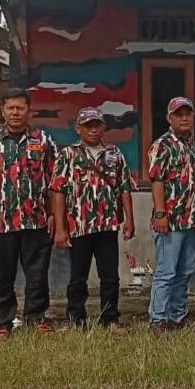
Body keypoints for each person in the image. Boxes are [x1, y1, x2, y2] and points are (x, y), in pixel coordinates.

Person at [0, 87, 57, 339]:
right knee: (2, 275)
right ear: (3, 111)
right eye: (11, 108)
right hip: (1, 222)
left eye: (20, 108)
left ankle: (37, 317)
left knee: (37, 274)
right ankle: (1, 323)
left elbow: (54, 182)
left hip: (37, 221)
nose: (15, 112)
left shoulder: (43, 140)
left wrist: (53, 215)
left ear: (29, 111)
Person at [51, 107, 136, 331]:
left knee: (110, 276)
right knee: (78, 277)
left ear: (104, 127)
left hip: (107, 224)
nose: (93, 129)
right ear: (78, 128)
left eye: (97, 125)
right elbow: (58, 192)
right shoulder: (68, 155)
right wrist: (60, 228)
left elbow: (124, 187)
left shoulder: (114, 153)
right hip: (79, 225)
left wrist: (129, 219)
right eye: (88, 126)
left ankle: (110, 319)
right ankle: (76, 320)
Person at [147, 97, 195, 335]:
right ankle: (158, 319)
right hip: (170, 220)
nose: (184, 118)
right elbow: (157, 181)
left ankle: (177, 316)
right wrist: (160, 213)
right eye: (179, 114)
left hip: (193, 219)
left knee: (185, 271)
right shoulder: (162, 145)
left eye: (188, 114)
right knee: (166, 272)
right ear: (169, 118)